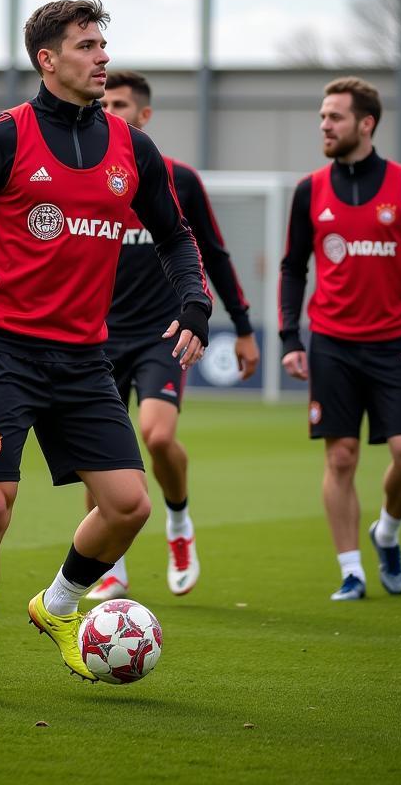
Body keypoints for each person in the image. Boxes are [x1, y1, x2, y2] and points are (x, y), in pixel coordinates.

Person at [0, 0, 212, 710]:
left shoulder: (131, 149)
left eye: (104, 44)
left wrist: (195, 302)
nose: (102, 57)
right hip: (4, 349)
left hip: (83, 357)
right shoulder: (1, 138)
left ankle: (58, 603)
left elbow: (177, 237)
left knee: (130, 505)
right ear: (49, 59)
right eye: (87, 45)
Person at [86, 70, 260, 601]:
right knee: (98, 455)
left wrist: (244, 328)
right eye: (104, 103)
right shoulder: (85, 173)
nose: (109, 111)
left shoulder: (176, 178)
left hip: (163, 332)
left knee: (157, 436)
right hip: (97, 336)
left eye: (120, 104)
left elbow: (214, 253)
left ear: (144, 115)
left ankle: (179, 523)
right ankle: (108, 567)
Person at [279, 76, 401, 601]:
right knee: (342, 458)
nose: (325, 125)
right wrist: (290, 337)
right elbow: (292, 267)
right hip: (331, 341)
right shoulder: (311, 189)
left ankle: (387, 533)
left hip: (395, 343)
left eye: (335, 117)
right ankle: (351, 570)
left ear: (366, 123)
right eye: (322, 117)